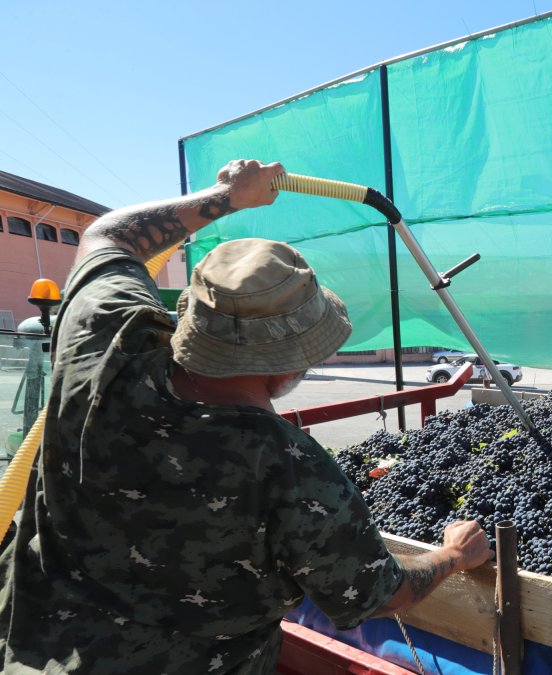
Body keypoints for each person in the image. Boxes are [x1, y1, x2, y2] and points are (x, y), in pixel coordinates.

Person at [0, 159, 493, 673]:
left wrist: (226, 195)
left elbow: (108, 236)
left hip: (26, 653)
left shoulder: (108, 345)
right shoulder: (291, 470)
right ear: (295, 359)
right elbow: (380, 595)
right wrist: (454, 556)